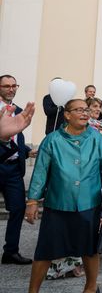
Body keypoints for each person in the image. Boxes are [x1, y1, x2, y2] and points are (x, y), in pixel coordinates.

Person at [25, 99, 102, 293]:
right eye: (79, 110)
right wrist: (32, 200)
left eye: (86, 110)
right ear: (66, 114)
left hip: (88, 203)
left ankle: (90, 287)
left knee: (89, 249)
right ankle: (33, 290)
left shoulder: (96, 138)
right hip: (58, 204)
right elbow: (40, 172)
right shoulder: (52, 140)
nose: (84, 113)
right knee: (45, 250)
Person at [0, 74, 35, 265]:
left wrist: (28, 151)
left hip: (13, 169)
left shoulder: (19, 111)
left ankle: (10, 251)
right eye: (6, 86)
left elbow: (16, 138)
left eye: (14, 85)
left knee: (18, 208)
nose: (11, 89)